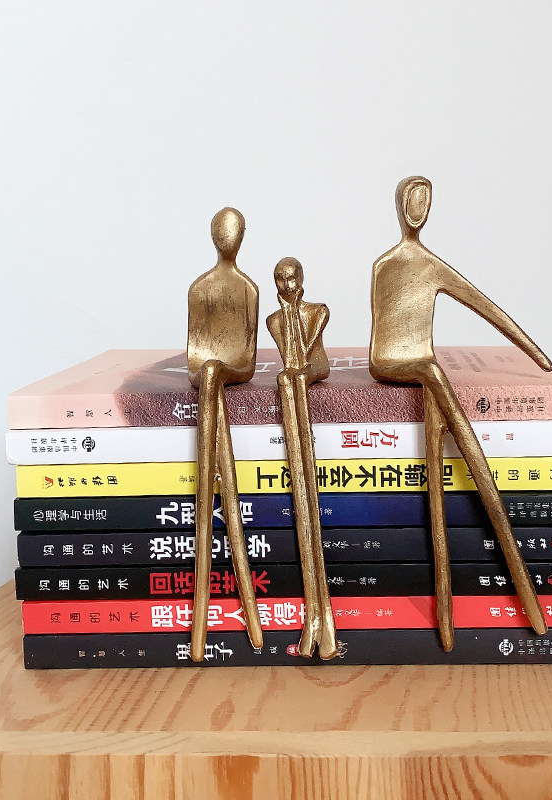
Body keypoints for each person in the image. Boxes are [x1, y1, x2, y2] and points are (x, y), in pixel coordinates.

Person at [370, 176, 552, 651]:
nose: (418, 210)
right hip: (394, 361)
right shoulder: (386, 265)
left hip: (425, 367)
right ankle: (487, 492)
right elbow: (383, 344)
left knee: (436, 456)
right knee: (435, 376)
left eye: (424, 202)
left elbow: (485, 307)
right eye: (411, 202)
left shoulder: (431, 264)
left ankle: (449, 622)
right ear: (398, 207)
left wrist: (536, 354)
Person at [187, 207, 262, 662]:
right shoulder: (200, 288)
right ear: (214, 236)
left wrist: (215, 367)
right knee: (211, 371)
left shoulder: (248, 289)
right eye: (222, 232)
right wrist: (210, 367)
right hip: (210, 369)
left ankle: (238, 614)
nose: (228, 239)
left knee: (216, 372)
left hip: (230, 368)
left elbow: (247, 355)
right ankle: (220, 617)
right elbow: (196, 352)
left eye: (234, 233)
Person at [267, 257, 337, 659]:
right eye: (280, 278)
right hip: (292, 383)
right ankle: (313, 616)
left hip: (307, 377)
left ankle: (324, 615)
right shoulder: (274, 322)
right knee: (286, 377)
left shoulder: (318, 312)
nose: (287, 284)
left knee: (290, 377)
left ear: (302, 279)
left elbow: (310, 362)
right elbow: (289, 362)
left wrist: (297, 374)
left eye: (292, 277)